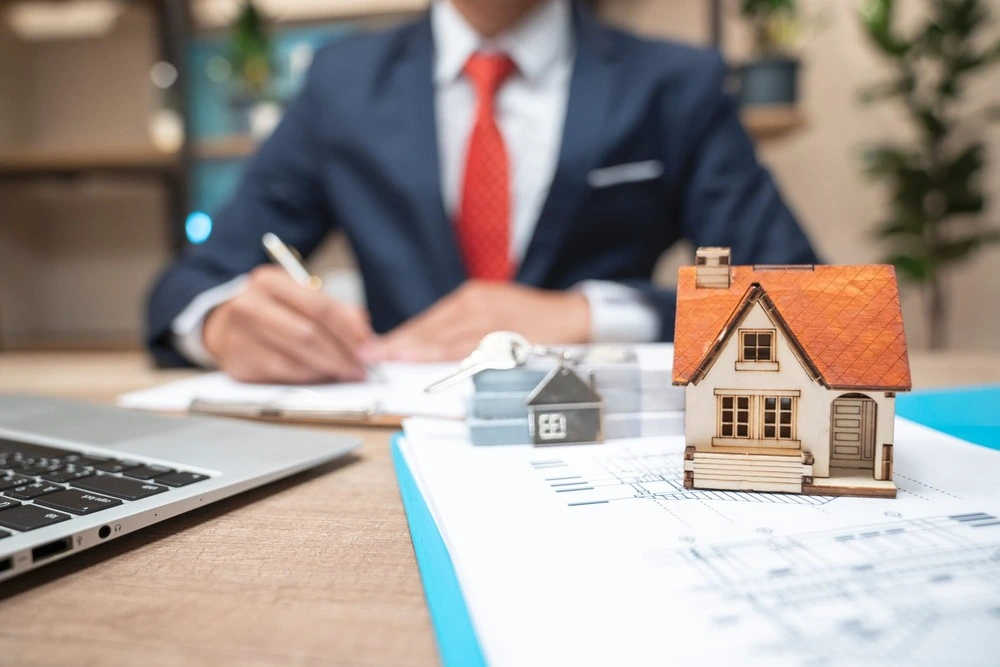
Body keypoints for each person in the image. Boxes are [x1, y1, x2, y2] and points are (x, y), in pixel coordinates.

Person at [146, 0, 818, 384]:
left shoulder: (676, 84)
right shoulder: (340, 84)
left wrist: (590, 314)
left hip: (606, 438)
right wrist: (224, 323)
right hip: (393, 453)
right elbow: (187, 286)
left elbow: (799, 291)